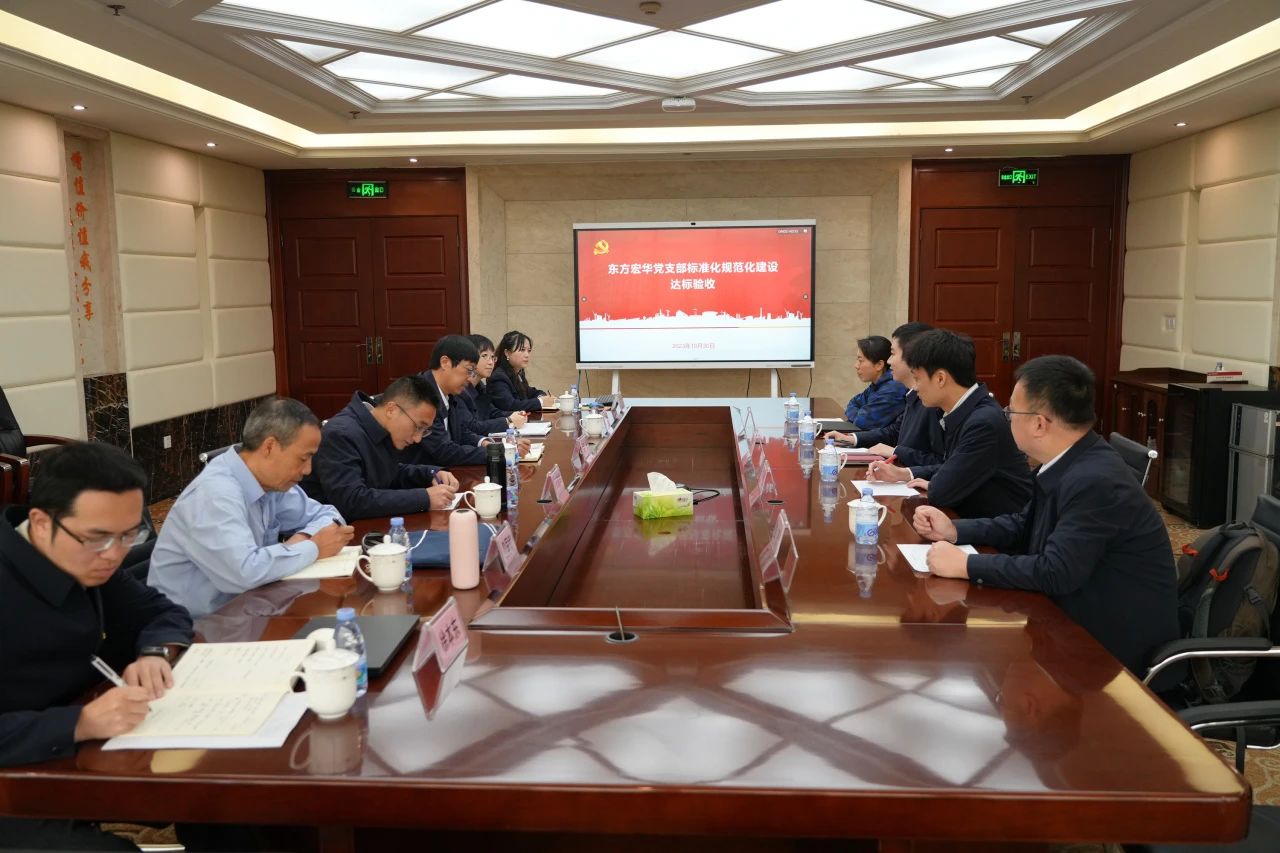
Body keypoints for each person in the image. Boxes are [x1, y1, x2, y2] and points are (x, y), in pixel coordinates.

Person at [911, 355, 1180, 682]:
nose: (1006, 419)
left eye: (1011, 412)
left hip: (1109, 655)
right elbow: (1024, 524)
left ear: (1039, 423)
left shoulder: (1094, 480)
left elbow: (1056, 571)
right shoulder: (1069, 461)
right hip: (1071, 621)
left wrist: (967, 565)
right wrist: (954, 530)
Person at [0, 442, 193, 847]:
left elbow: (164, 613)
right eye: (98, 538)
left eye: (129, 535)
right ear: (40, 523)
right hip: (17, 773)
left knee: (221, 798)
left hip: (88, 752)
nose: (115, 555)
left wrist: (154, 652)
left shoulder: (88, 561)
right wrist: (79, 722)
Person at [149, 398, 354, 619]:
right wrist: (313, 547)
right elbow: (245, 572)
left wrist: (303, 538)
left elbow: (329, 515)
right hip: (192, 629)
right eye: (303, 458)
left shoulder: (270, 481)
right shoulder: (215, 494)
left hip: (249, 612)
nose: (308, 470)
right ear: (269, 447)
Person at [868, 329, 1032, 518]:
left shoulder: (983, 422)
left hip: (995, 527)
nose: (915, 387)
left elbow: (941, 492)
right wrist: (904, 474)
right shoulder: (964, 409)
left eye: (917, 378)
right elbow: (952, 465)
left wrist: (934, 484)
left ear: (940, 378)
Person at [300, 375, 459, 519]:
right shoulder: (340, 435)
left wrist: (431, 474)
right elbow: (351, 501)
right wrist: (424, 498)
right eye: (418, 427)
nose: (418, 439)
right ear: (391, 410)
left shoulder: (380, 426)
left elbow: (387, 473)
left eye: (424, 431)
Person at [826, 322, 944, 468]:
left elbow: (940, 462)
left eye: (893, 354)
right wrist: (852, 438)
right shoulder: (912, 394)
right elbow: (894, 432)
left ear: (914, 356)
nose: (889, 361)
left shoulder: (931, 401)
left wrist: (897, 453)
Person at [407, 335, 530, 468]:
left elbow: (462, 433)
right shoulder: (421, 396)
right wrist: (498, 452)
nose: (470, 377)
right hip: (424, 475)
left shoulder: (450, 392)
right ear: (445, 363)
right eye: (469, 370)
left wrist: (491, 445)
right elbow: (444, 451)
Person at [462, 334, 527, 435]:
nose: (491, 362)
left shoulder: (480, 386)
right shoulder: (460, 390)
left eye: (492, 357)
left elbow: (492, 412)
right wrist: (508, 421)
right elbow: (472, 427)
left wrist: (514, 415)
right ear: (469, 358)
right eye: (484, 356)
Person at [843, 335, 907, 430]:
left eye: (860, 361)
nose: (856, 365)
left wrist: (858, 415)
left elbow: (863, 422)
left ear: (879, 365)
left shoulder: (892, 389)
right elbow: (853, 402)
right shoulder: (877, 384)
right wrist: (859, 414)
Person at [487, 330, 557, 414]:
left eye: (529, 350)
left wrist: (542, 397)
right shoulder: (499, 377)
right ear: (507, 353)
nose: (527, 355)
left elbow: (530, 392)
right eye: (522, 350)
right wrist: (541, 402)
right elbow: (510, 405)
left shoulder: (517, 373)